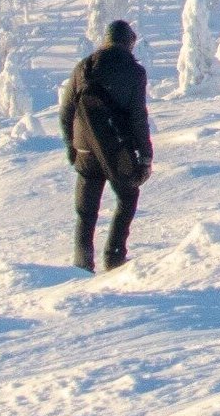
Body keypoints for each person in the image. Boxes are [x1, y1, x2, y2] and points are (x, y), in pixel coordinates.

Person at [60, 18, 153, 271]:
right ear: (129, 43)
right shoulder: (135, 72)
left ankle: (82, 264)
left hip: (85, 149)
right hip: (115, 149)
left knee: (86, 211)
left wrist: (71, 145)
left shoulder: (84, 67)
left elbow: (67, 110)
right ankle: (114, 257)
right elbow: (137, 117)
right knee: (128, 196)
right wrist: (145, 156)